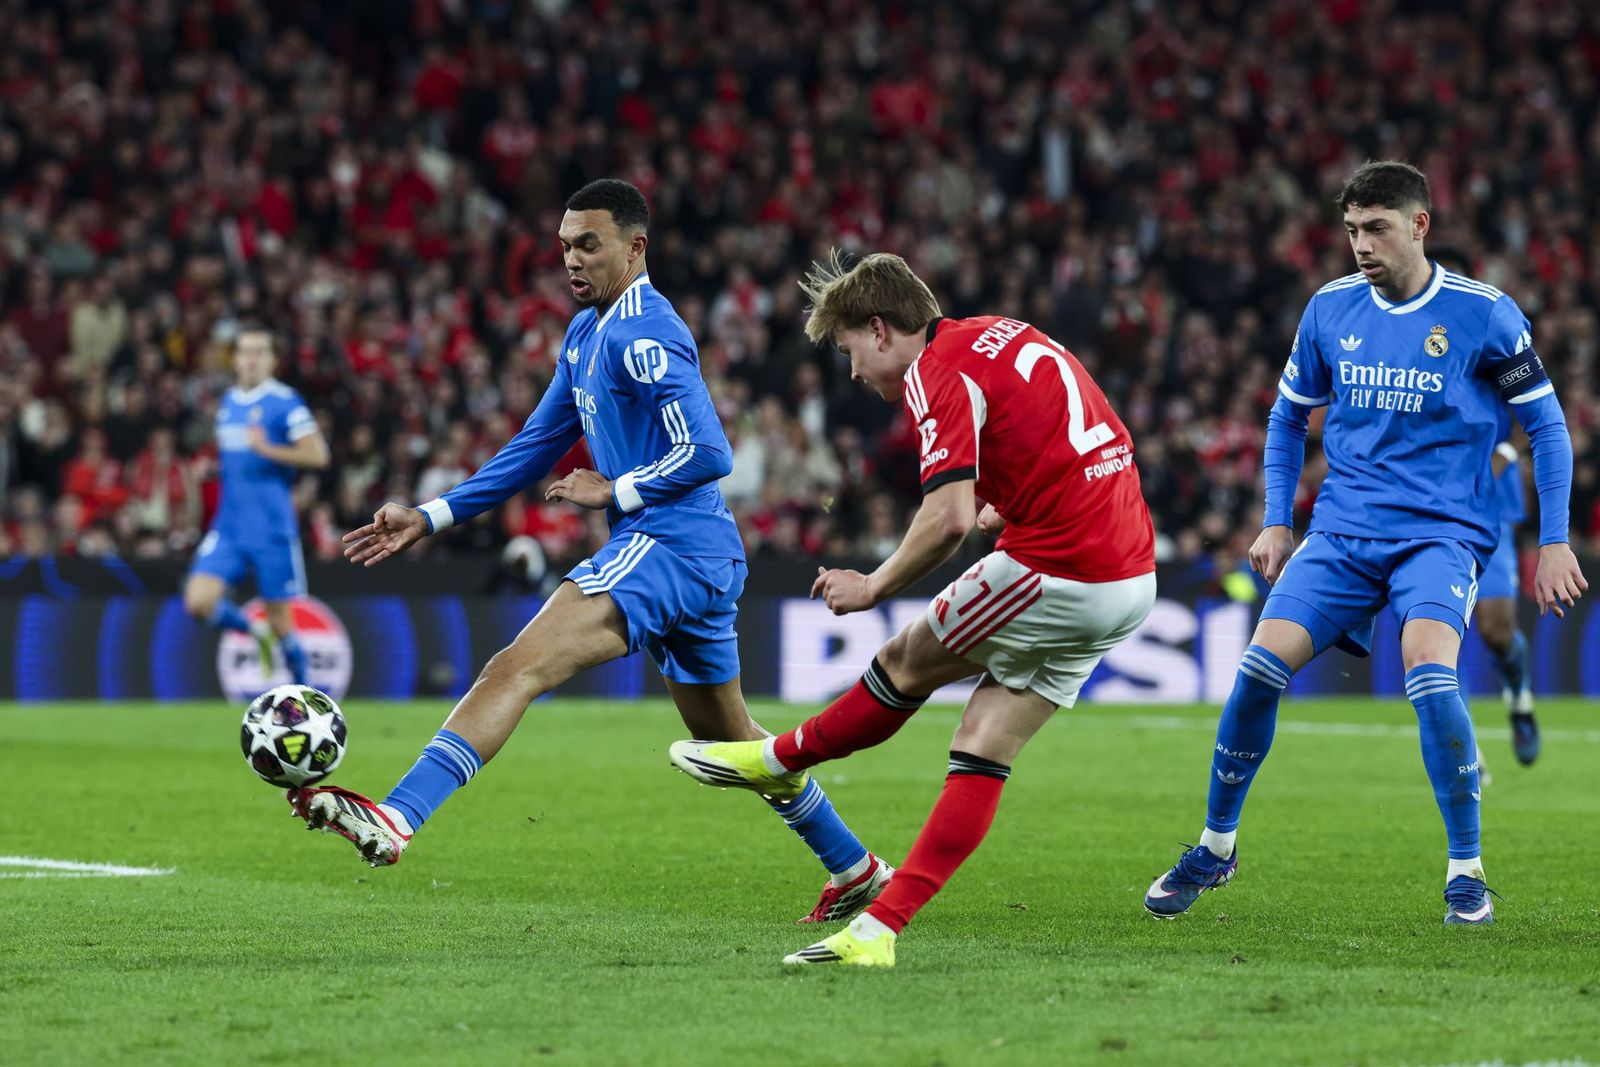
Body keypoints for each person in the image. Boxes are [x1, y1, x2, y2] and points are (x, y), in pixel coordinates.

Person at [288, 180, 889, 924]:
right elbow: (535, 444)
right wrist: (432, 513)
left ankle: (400, 815)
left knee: (514, 666)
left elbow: (709, 450)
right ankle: (856, 867)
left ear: (636, 247)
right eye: (566, 245)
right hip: (693, 554)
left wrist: (619, 491)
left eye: (589, 244)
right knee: (732, 740)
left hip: (668, 543)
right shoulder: (585, 334)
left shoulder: (644, 333)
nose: (571, 259)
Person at [669, 251, 1157, 967]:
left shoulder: (935, 369)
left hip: (1062, 567)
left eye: (850, 352)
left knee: (902, 660)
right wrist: (1010, 499)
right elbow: (1099, 433)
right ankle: (878, 930)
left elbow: (946, 519)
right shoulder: (1004, 332)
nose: (855, 374)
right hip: (1131, 576)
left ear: (882, 328)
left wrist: (873, 583)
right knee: (984, 740)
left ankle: (777, 758)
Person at [1140, 161, 1585, 927]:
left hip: (1442, 535)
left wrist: (1554, 539)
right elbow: (1286, 419)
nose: (1360, 244)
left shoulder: (1485, 314)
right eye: (1351, 229)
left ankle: (1466, 871)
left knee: (1428, 668)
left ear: (1419, 225)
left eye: (1376, 227)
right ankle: (1216, 846)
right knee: (1255, 671)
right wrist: (1279, 518)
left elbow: (1545, 424)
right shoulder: (1330, 309)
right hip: (1343, 532)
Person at [183, 325, 329, 684]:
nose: (251, 359)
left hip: (271, 527)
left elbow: (318, 455)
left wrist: (270, 449)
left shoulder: (285, 402)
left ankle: (304, 696)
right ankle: (253, 632)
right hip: (229, 526)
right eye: (245, 352)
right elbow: (240, 461)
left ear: (272, 361)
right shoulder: (229, 403)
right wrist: (213, 469)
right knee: (198, 602)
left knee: (282, 622)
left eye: (259, 352)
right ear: (235, 360)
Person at [1473, 430, 1540, 765]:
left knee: (1497, 634)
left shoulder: (1500, 379)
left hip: (1492, 517)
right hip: (1434, 515)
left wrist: (1509, 450)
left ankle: (1519, 699)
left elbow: (1529, 421)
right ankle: (1461, 747)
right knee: (1435, 637)